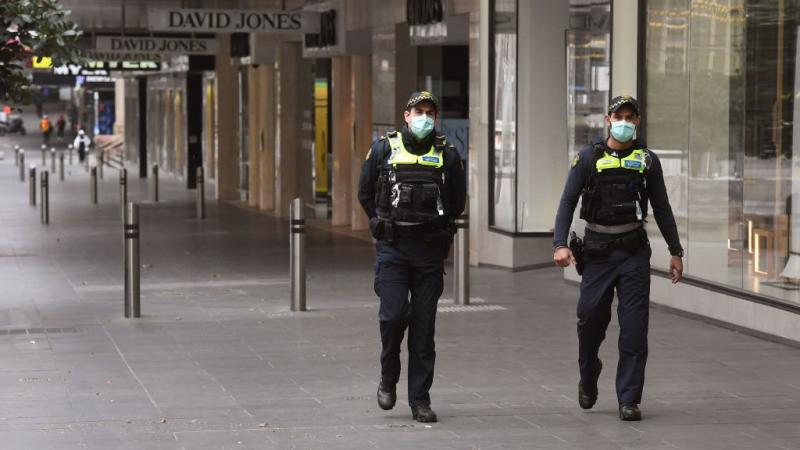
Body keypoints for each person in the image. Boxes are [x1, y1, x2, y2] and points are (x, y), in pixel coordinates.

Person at [552, 95, 684, 421]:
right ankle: (589, 370)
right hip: (597, 252)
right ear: (608, 120)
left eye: (630, 116)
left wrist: (675, 251)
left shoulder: (647, 161)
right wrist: (559, 244)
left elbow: (663, 208)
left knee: (635, 329)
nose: (624, 121)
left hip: (633, 253)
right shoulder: (588, 158)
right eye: (618, 116)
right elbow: (567, 203)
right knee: (589, 321)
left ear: (637, 121)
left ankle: (629, 398)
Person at [358, 91, 466, 423]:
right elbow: (364, 191)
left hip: (429, 250)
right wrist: (377, 221)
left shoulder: (447, 154)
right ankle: (388, 377)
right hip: (393, 248)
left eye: (430, 112)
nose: (424, 117)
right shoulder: (384, 149)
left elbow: (457, 200)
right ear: (406, 115)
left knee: (423, 328)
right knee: (392, 318)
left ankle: (420, 399)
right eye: (418, 111)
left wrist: (439, 227)